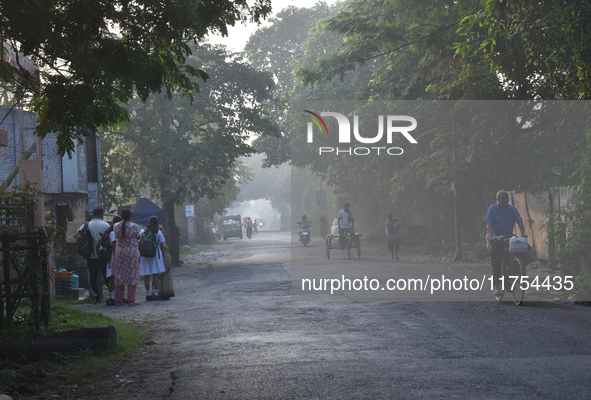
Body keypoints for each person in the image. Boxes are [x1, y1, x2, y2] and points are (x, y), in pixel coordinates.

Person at [484, 190, 527, 297]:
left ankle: (517, 273)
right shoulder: (492, 209)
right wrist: (493, 236)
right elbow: (489, 224)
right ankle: (497, 286)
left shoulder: (512, 209)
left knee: (523, 251)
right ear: (497, 200)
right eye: (501, 198)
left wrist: (523, 233)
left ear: (508, 199)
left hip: (509, 236)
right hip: (496, 238)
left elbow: (520, 222)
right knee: (496, 261)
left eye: (505, 198)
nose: (503, 200)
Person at [76, 207, 110, 304]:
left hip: (91, 255)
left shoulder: (87, 225)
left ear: (93, 214)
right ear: (101, 214)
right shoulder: (106, 225)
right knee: (106, 276)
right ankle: (111, 295)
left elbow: (77, 235)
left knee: (93, 277)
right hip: (103, 255)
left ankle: (97, 297)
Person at [113, 209, 141, 306]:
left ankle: (118, 299)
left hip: (120, 252)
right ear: (130, 216)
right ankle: (131, 299)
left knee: (119, 274)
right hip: (131, 253)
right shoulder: (134, 226)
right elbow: (137, 236)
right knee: (132, 274)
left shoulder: (115, 226)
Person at [139, 216, 167, 301]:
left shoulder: (142, 231)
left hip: (145, 255)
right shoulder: (158, 232)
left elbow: (139, 242)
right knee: (155, 275)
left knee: (147, 276)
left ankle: (147, 295)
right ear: (157, 224)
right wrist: (163, 255)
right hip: (155, 254)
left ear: (149, 222)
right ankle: (155, 294)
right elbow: (162, 245)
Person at [105, 215, 122, 305]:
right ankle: (110, 296)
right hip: (114, 257)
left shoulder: (113, 232)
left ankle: (115, 295)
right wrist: (117, 257)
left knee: (115, 277)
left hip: (115, 256)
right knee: (113, 277)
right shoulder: (113, 233)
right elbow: (114, 246)